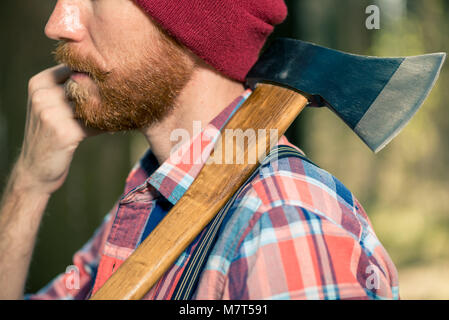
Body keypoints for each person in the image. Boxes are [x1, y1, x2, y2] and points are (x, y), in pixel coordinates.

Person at [0, 0, 399, 300]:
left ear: (193, 27)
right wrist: (28, 185)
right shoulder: (151, 198)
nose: (57, 24)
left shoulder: (280, 225)